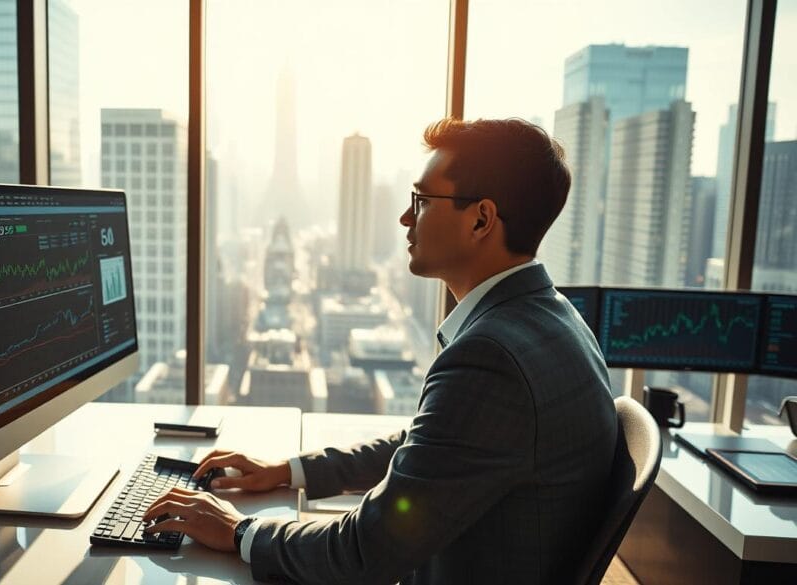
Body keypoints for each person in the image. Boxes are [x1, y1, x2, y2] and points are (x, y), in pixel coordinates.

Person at [143, 117, 618, 584]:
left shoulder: (492, 358)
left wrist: (240, 531)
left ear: (481, 219)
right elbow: (431, 449)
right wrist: (290, 471)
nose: (406, 217)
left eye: (423, 200)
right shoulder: (552, 317)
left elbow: (365, 552)